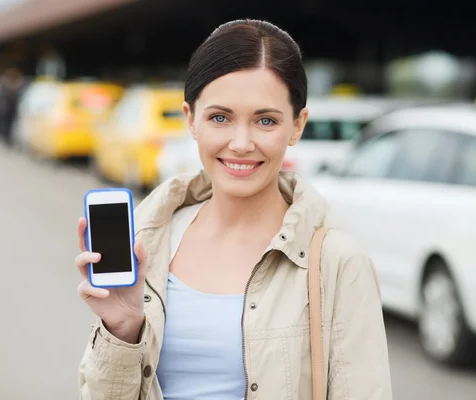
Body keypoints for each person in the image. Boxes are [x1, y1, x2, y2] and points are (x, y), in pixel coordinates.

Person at [75, 19, 392, 400]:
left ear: (297, 125)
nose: (241, 143)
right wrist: (123, 331)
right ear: (191, 119)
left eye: (265, 120)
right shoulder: (148, 241)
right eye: (220, 118)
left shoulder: (338, 262)